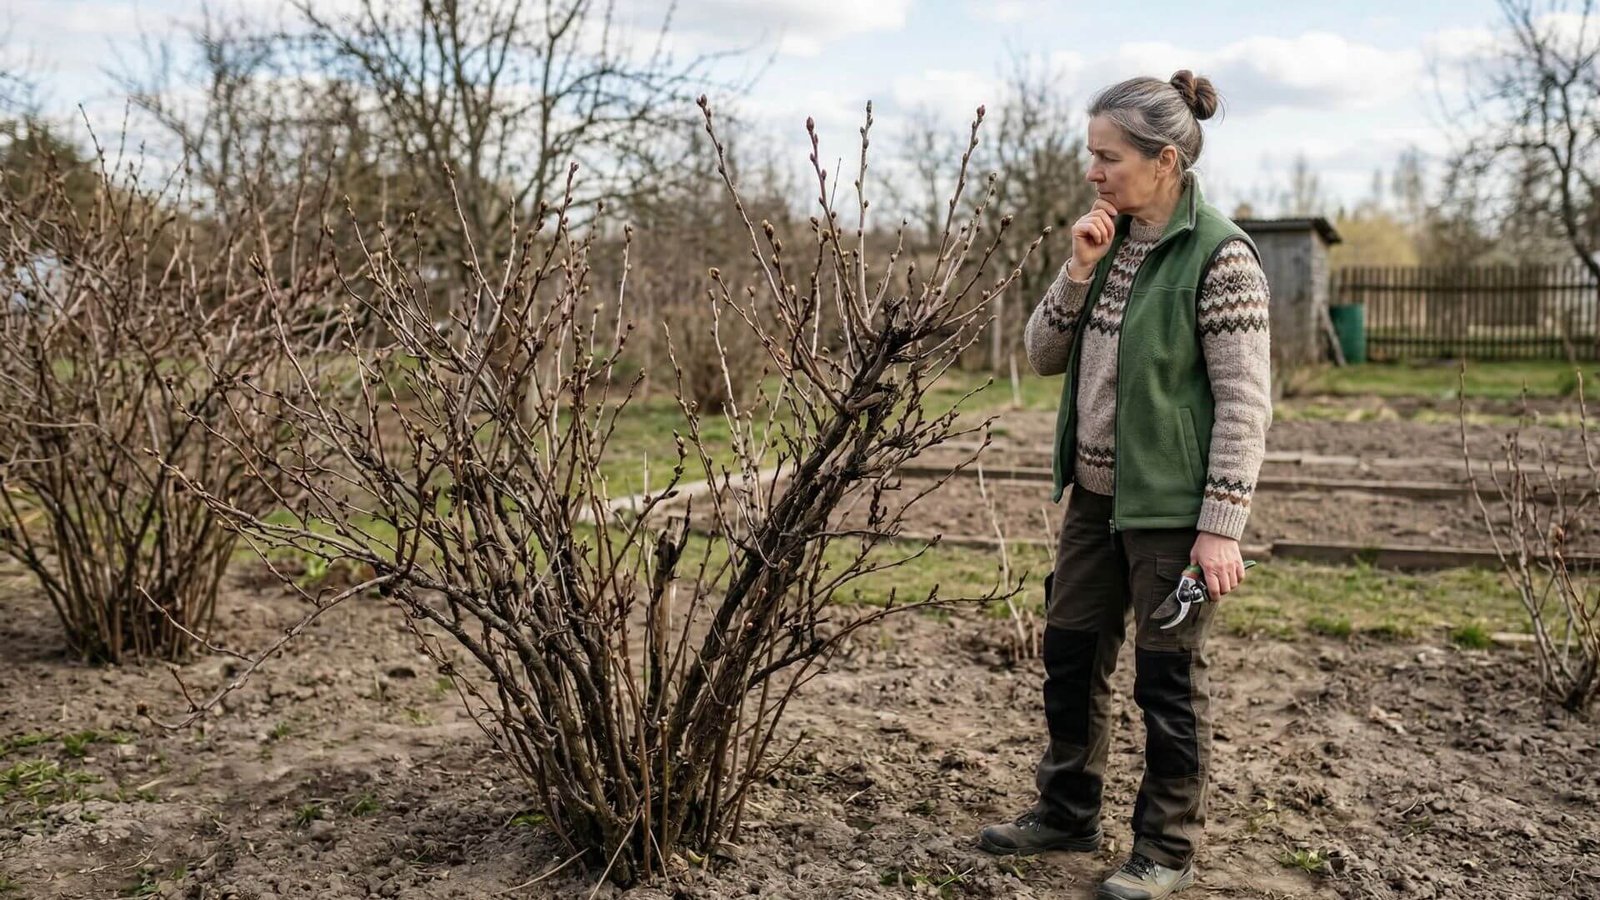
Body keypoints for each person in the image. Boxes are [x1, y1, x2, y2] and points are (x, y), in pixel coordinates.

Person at [976, 70, 1273, 900]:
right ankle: (1067, 812)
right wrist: (1077, 269)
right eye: (1091, 154)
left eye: (1108, 157)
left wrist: (1221, 527)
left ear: (1164, 159)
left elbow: (1244, 404)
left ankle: (1166, 849)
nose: (1093, 172)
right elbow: (1043, 355)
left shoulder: (1222, 257)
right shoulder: (1104, 243)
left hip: (1173, 512)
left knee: (1167, 682)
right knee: (1071, 657)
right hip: (1095, 500)